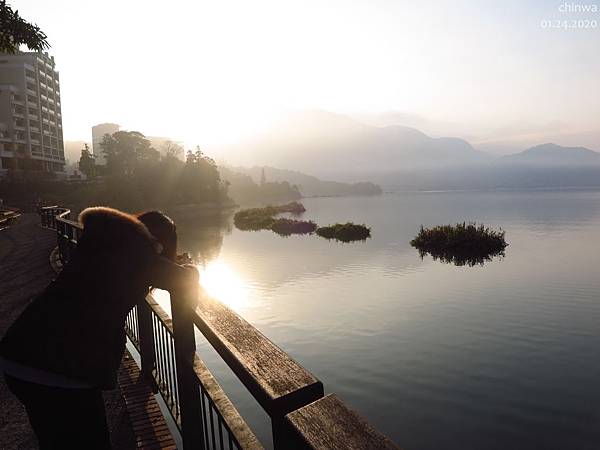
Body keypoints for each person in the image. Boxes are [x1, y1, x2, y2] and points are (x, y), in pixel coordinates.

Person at [0, 207, 197, 449]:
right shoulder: (142, 257)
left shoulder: (99, 242)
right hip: (64, 370)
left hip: (19, 354)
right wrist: (189, 269)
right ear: (160, 242)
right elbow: (185, 280)